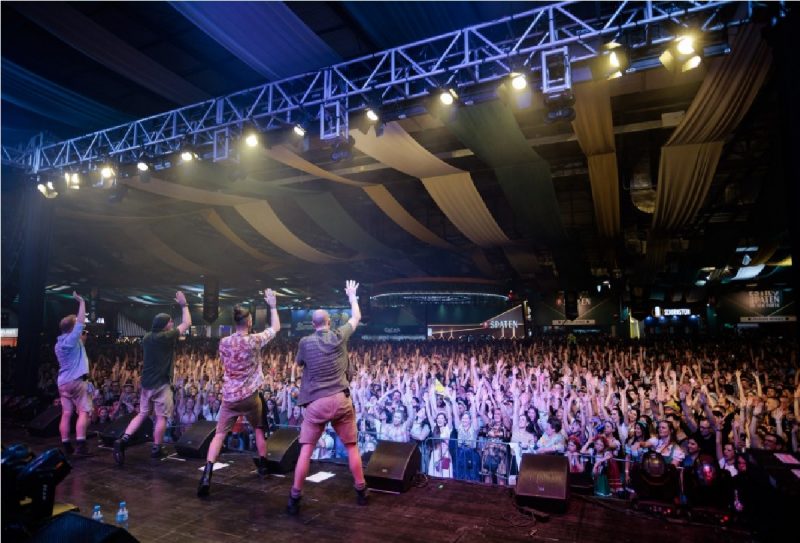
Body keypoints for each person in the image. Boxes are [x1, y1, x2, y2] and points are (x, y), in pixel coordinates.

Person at [286, 280, 365, 515]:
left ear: (313, 324)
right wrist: (352, 296)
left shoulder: (305, 341)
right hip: (341, 400)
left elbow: (299, 364)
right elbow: (356, 318)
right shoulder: (339, 335)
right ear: (329, 322)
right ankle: (361, 491)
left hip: (317, 403)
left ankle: (294, 497)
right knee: (352, 447)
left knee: (306, 451)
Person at [198, 289, 280, 496]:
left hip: (229, 397)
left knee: (219, 435)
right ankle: (263, 467)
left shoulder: (223, 342)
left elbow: (226, 364)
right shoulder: (254, 340)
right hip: (251, 396)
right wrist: (272, 305)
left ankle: (207, 474)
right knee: (259, 429)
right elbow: (276, 327)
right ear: (249, 321)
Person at [113, 291, 191, 465]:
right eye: (170, 321)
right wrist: (184, 305)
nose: (172, 323)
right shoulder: (166, 336)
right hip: (161, 383)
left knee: (142, 413)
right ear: (164, 325)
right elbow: (187, 323)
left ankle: (123, 440)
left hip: (147, 383)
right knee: (162, 417)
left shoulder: (147, 337)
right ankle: (157, 448)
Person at [55, 291, 93, 456]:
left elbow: (80, 341)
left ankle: (66, 445)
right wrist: (82, 301)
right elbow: (80, 321)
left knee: (66, 413)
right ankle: (81, 445)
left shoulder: (59, 343)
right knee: (84, 412)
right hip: (76, 382)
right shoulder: (71, 339)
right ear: (72, 328)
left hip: (63, 383)